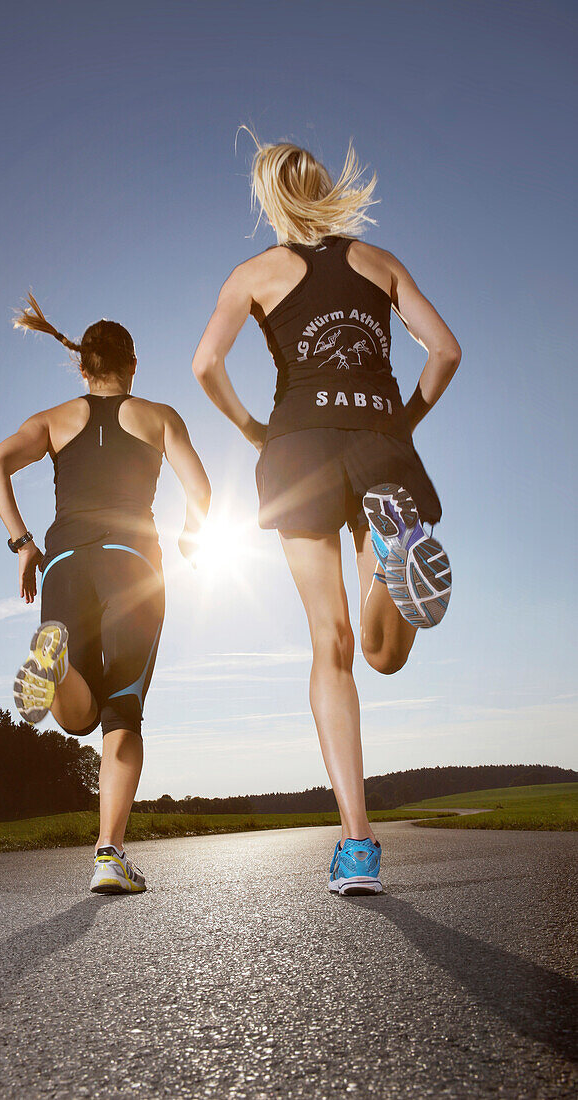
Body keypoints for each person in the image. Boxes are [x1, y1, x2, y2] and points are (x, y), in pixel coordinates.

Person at [192, 138, 460, 895]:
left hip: (297, 448)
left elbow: (204, 364)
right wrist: (401, 421)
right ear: (324, 189)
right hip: (382, 449)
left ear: (268, 199)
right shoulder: (379, 262)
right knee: (388, 654)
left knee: (334, 646)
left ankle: (357, 843)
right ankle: (395, 556)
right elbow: (443, 351)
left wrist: (251, 429)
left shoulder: (253, 273)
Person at [0, 295, 211, 894]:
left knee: (75, 716)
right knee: (122, 713)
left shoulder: (55, 419)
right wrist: (190, 537)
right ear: (132, 365)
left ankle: (54, 665)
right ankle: (109, 854)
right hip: (133, 564)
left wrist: (23, 544)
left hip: (63, 560)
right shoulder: (159, 416)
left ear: (83, 367)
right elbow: (201, 488)